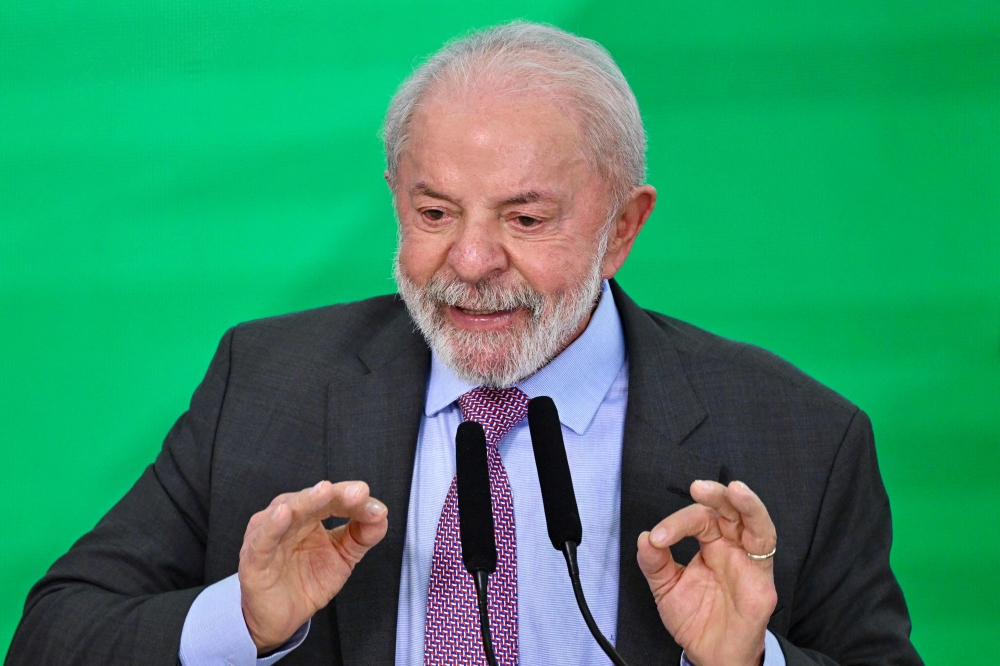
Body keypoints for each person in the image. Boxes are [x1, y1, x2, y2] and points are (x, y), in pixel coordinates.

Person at [7, 22, 922, 666]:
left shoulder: (803, 438)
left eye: (526, 217)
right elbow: (52, 635)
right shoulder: (267, 383)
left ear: (623, 227)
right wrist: (241, 620)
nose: (472, 260)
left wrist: (747, 665)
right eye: (433, 211)